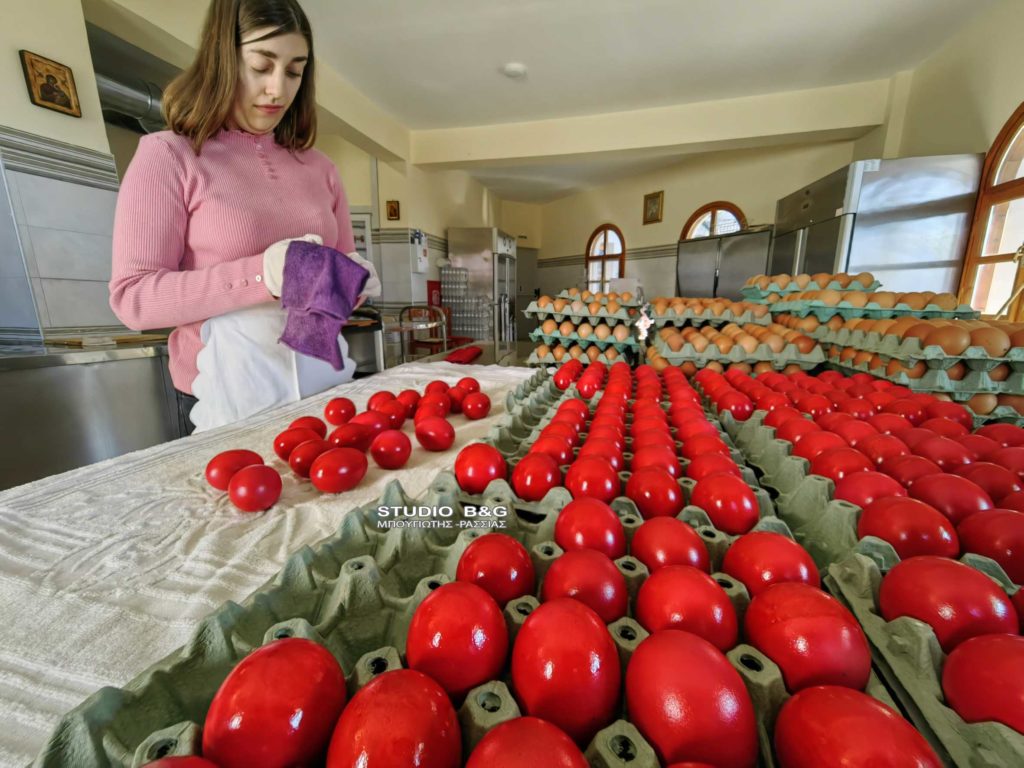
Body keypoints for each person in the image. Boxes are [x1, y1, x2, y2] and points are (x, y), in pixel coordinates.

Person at [110, 0, 379, 434]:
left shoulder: (321, 168)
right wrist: (263, 276)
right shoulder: (170, 155)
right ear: (223, 60)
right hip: (229, 398)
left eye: (294, 72)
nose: (278, 90)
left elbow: (334, 289)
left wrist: (353, 281)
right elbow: (134, 299)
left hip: (322, 390)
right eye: (261, 66)